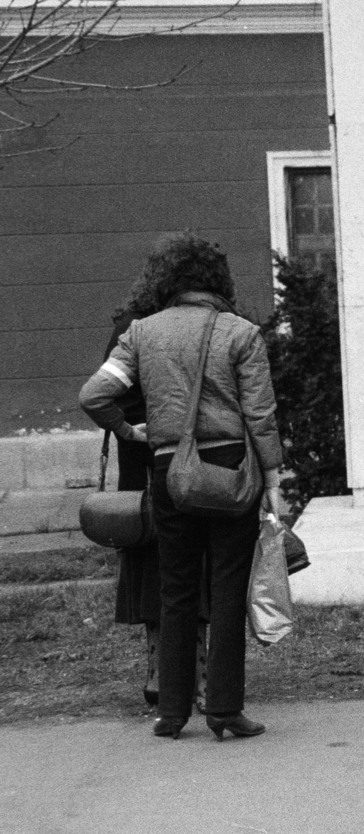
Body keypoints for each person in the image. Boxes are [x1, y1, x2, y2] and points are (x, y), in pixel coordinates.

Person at [80, 233, 287, 740]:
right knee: (227, 589)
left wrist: (130, 431)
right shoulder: (241, 333)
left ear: (166, 280)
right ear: (218, 280)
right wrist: (273, 477)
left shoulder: (141, 333)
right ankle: (224, 711)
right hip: (231, 470)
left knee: (175, 588)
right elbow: (260, 415)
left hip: (168, 469)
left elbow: (94, 395)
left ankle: (171, 714)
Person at [101, 274, 209, 708]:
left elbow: (108, 396)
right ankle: (190, 674)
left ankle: (162, 673)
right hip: (173, 465)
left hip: (147, 468)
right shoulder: (158, 325)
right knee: (189, 565)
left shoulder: (132, 324)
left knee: (158, 568)